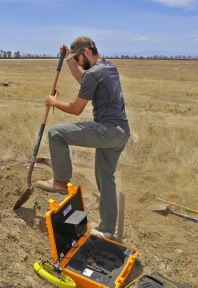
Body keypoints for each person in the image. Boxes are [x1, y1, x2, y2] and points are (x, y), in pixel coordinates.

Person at [36, 37, 130, 237]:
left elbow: (77, 109)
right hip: (121, 132)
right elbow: (84, 80)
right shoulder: (108, 67)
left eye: (78, 59)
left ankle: (60, 181)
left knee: (56, 133)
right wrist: (69, 58)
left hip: (107, 130)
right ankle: (106, 230)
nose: (78, 64)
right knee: (106, 180)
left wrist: (53, 102)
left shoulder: (94, 74)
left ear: (86, 52)